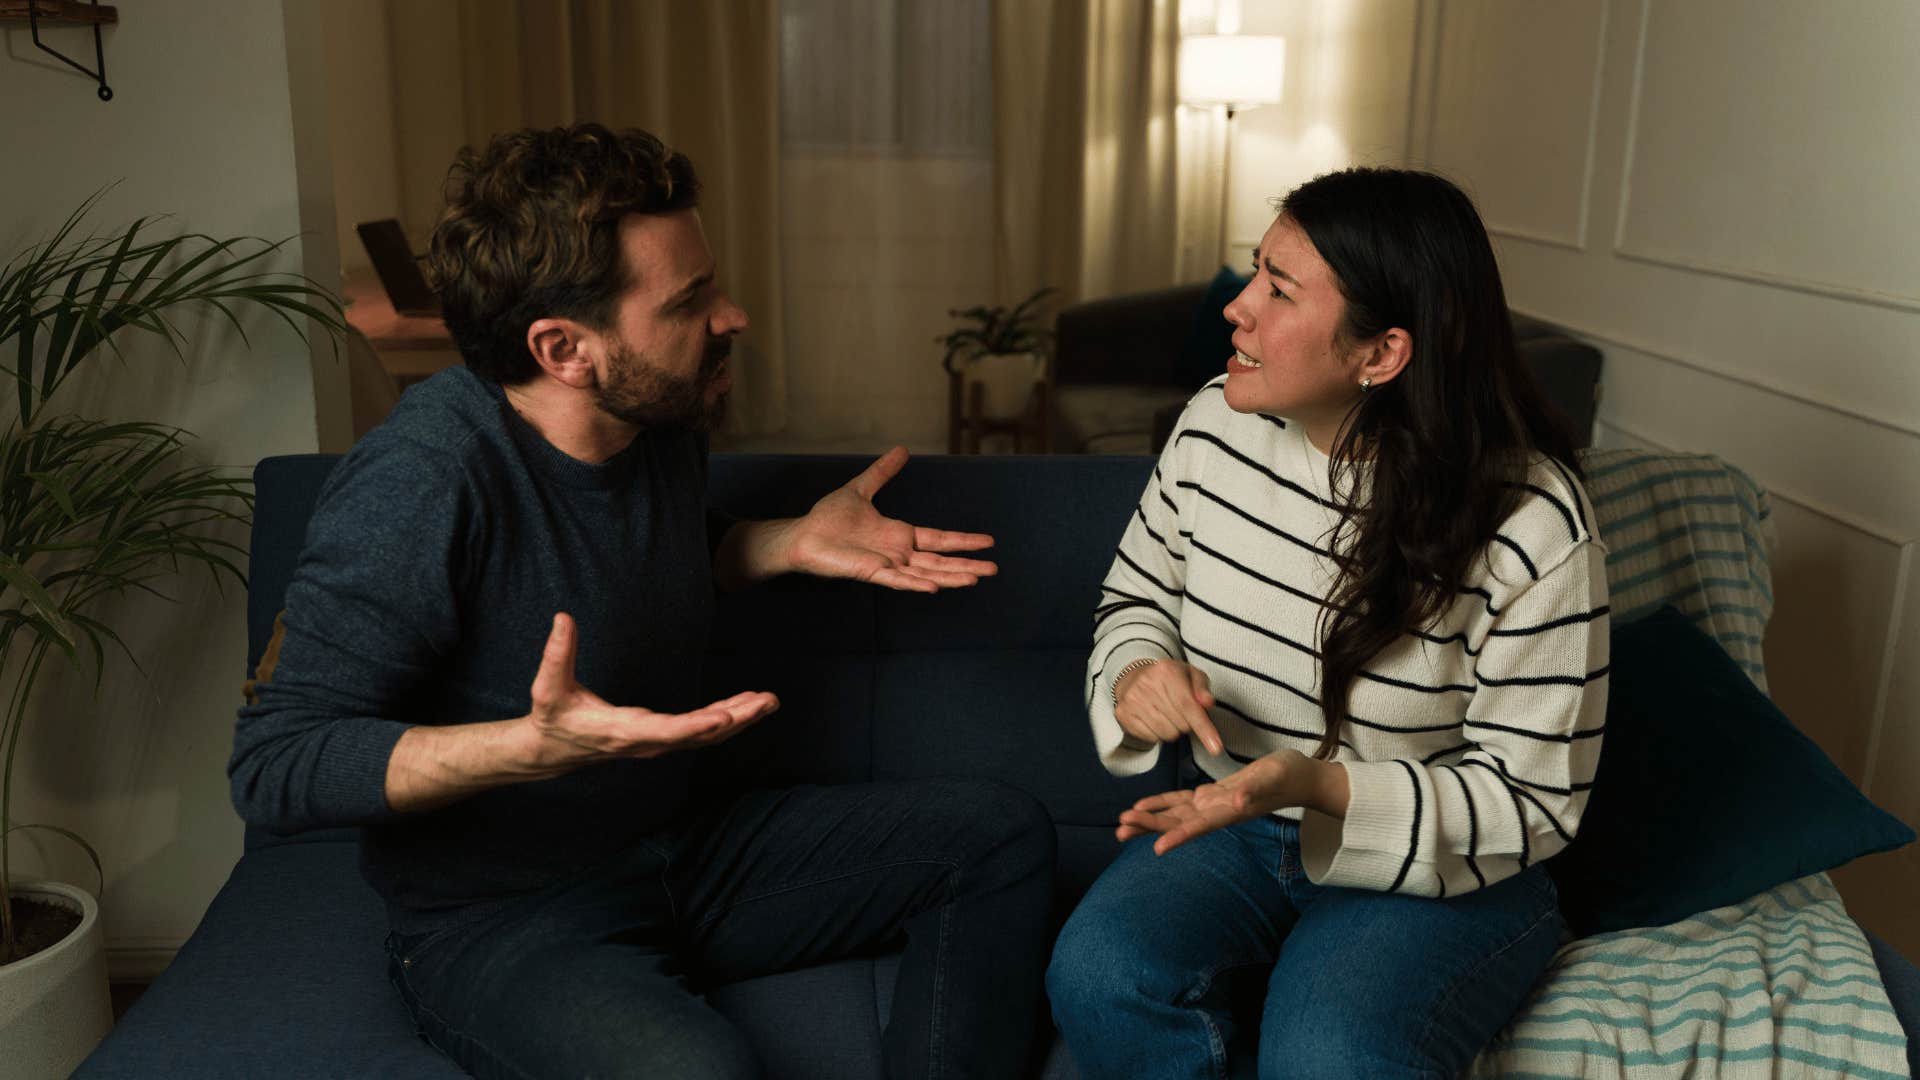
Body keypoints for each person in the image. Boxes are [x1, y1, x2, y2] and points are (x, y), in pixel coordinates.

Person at [229, 123, 1055, 1080]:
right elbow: (276, 764)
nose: (733, 315)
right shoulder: (419, 481)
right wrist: (524, 750)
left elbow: (624, 554)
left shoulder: (654, 416)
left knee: (997, 838)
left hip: (686, 852)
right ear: (563, 348)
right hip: (504, 917)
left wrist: (783, 543)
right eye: (692, 300)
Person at [1046, 167, 1609, 1079]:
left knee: (1329, 1054)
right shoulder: (1208, 429)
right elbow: (1135, 598)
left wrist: (1321, 786)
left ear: (1381, 355)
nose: (1238, 309)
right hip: (1230, 823)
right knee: (1099, 975)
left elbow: (1534, 800)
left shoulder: (1534, 522)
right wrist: (1137, 670)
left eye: (1278, 290)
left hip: (1441, 867)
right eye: (1253, 272)